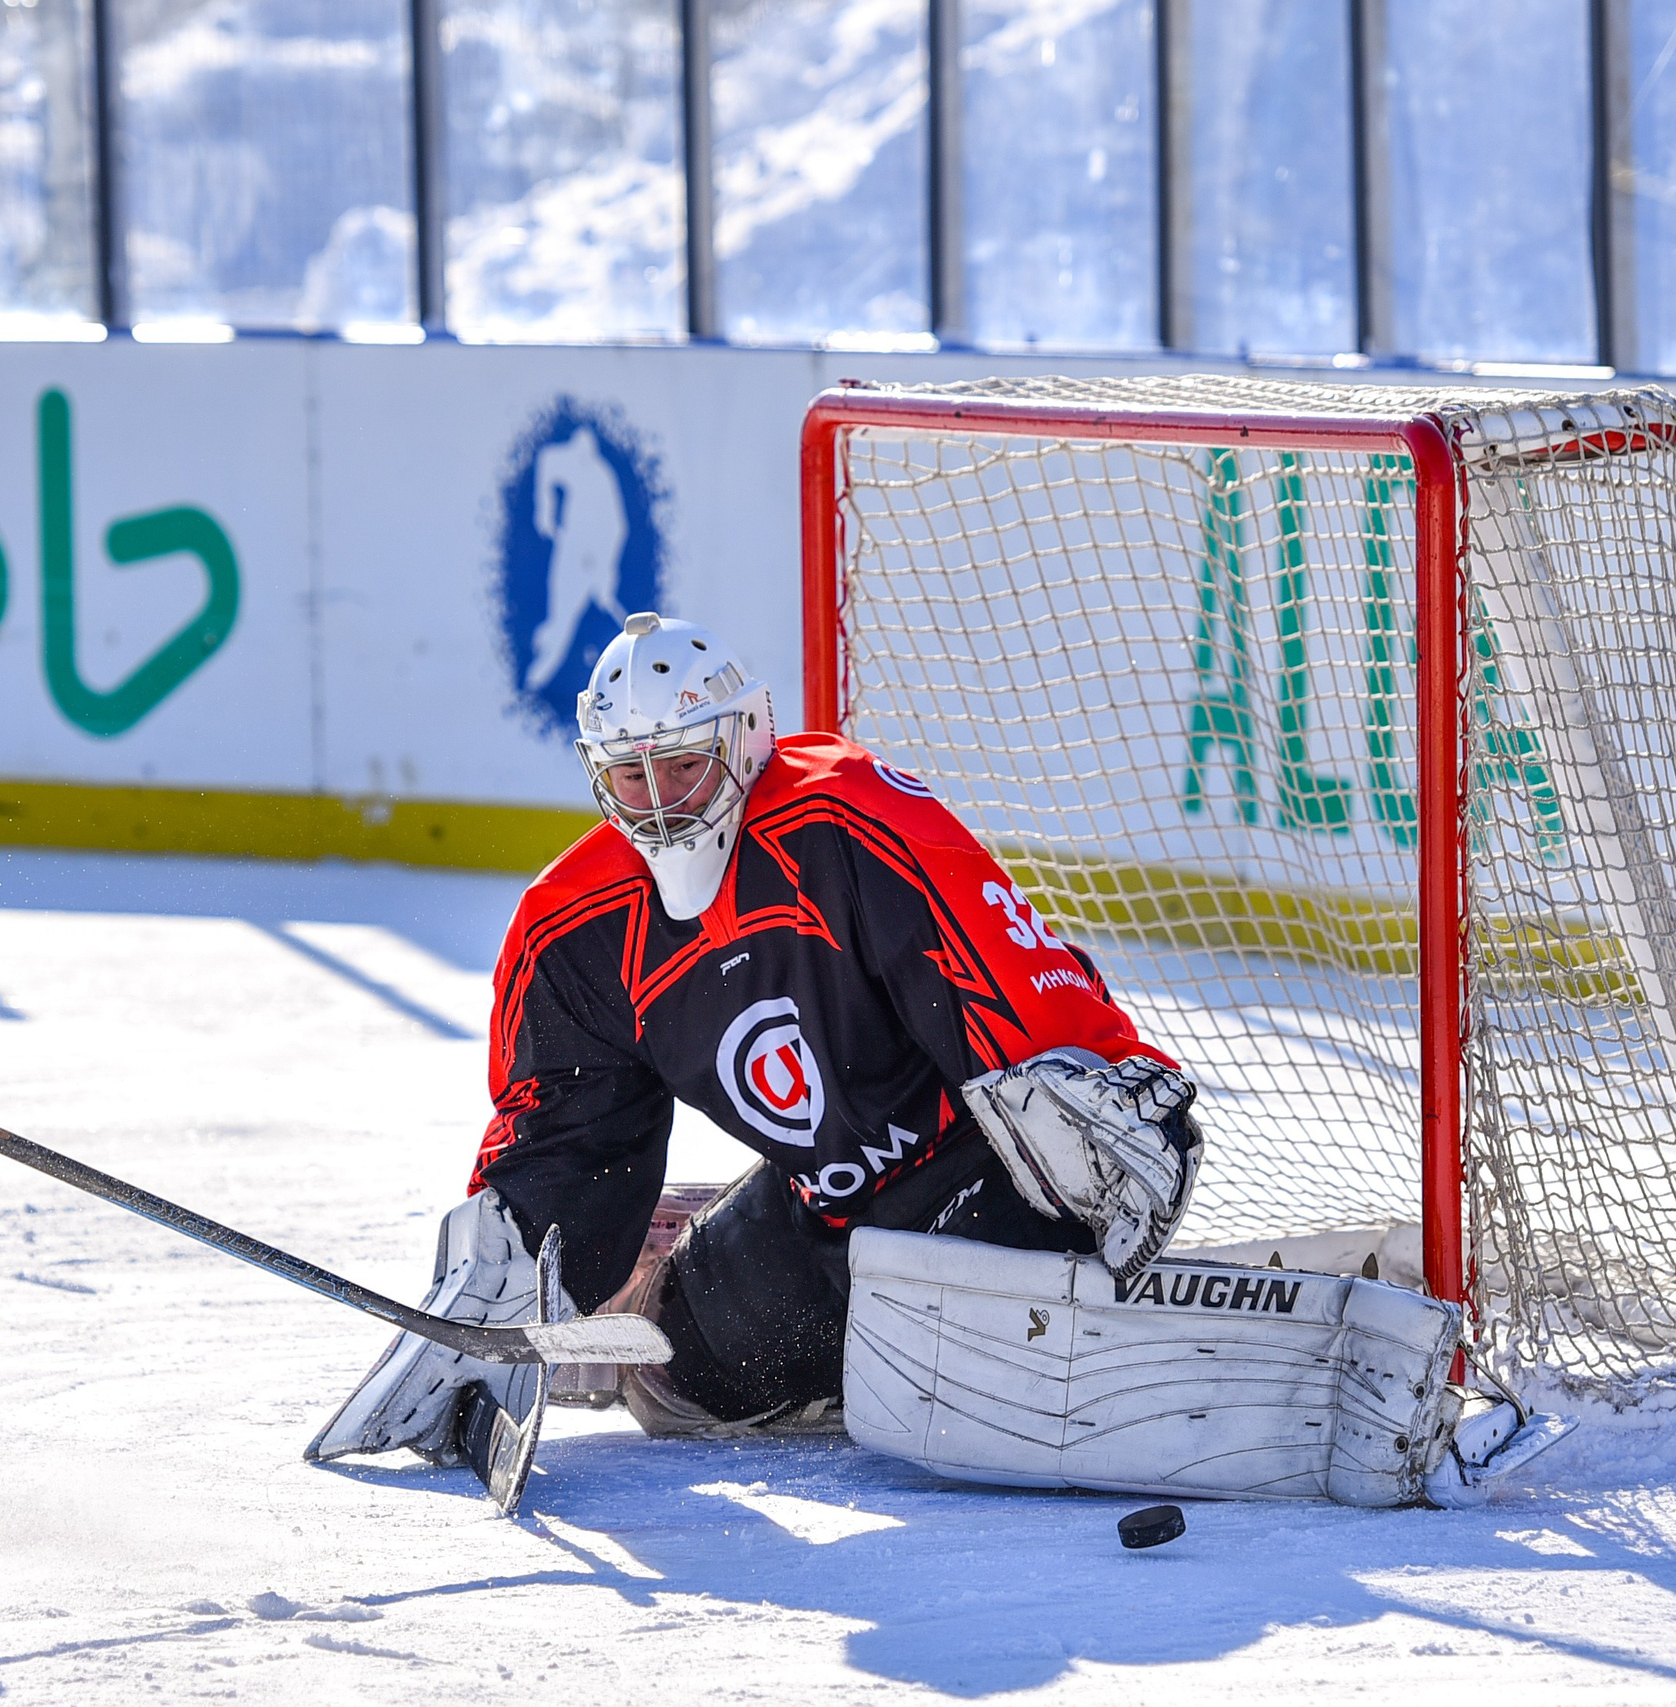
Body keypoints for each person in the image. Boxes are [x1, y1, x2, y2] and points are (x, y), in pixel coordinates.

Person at [309, 611, 1561, 1511]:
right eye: (626, 775)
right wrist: (509, 1293)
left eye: (680, 765)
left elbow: (1000, 983)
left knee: (961, 1350)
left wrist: (1095, 1098)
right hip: (834, 1203)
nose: (657, 801)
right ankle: (700, 1268)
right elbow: (565, 1142)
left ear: (743, 743)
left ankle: (1214, 1294)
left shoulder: (849, 817)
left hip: (991, 1160)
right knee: (683, 1386)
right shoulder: (571, 931)